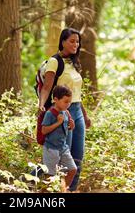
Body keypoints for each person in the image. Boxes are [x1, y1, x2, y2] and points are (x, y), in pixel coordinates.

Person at [39, 28, 91, 192]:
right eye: (72, 41)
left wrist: (85, 115)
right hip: (62, 112)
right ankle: (54, 189)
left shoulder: (75, 63)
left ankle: (70, 189)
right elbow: (47, 87)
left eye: (77, 42)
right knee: (63, 154)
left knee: (78, 154)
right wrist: (41, 104)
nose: (75, 44)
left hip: (77, 111)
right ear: (62, 42)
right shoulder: (55, 61)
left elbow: (76, 94)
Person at [41, 85, 77, 192]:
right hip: (51, 149)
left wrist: (71, 125)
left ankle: (63, 190)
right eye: (66, 101)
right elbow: (44, 130)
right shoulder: (50, 113)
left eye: (69, 102)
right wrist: (58, 123)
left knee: (72, 169)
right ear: (56, 100)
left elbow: (68, 129)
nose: (68, 104)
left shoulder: (66, 112)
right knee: (50, 177)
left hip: (63, 148)